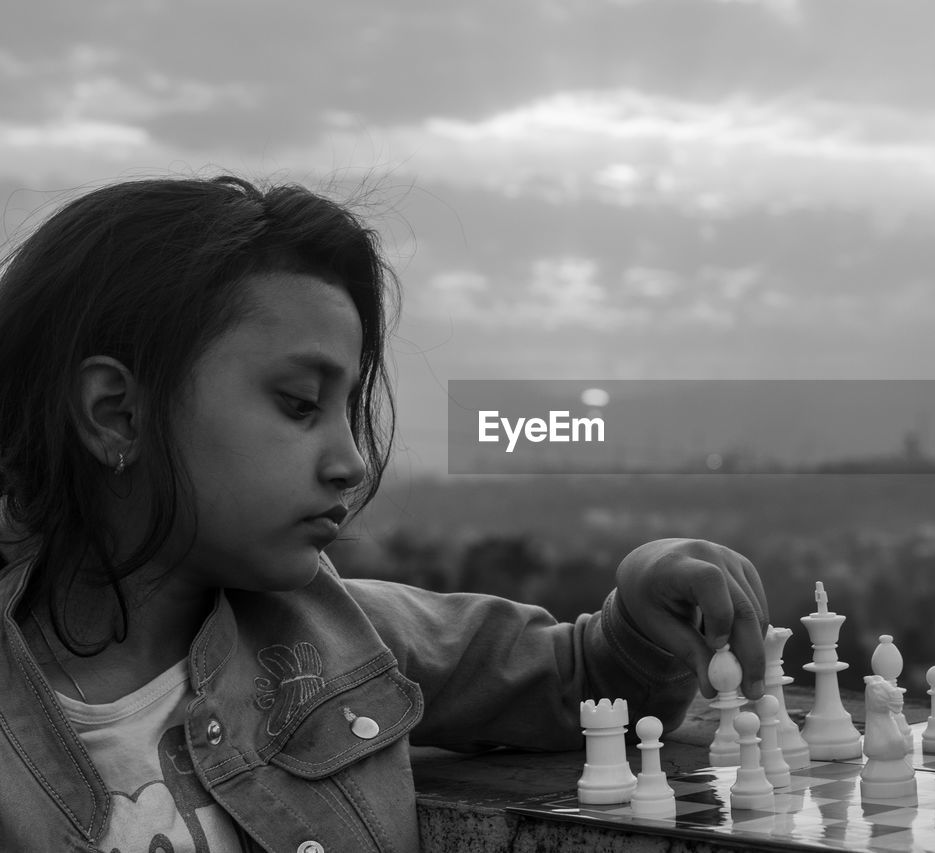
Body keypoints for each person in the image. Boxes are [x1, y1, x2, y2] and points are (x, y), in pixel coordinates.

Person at [0, 176, 770, 852]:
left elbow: (578, 681)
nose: (351, 460)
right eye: (300, 403)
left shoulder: (335, 637)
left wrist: (642, 598)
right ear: (117, 414)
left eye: (349, 407)